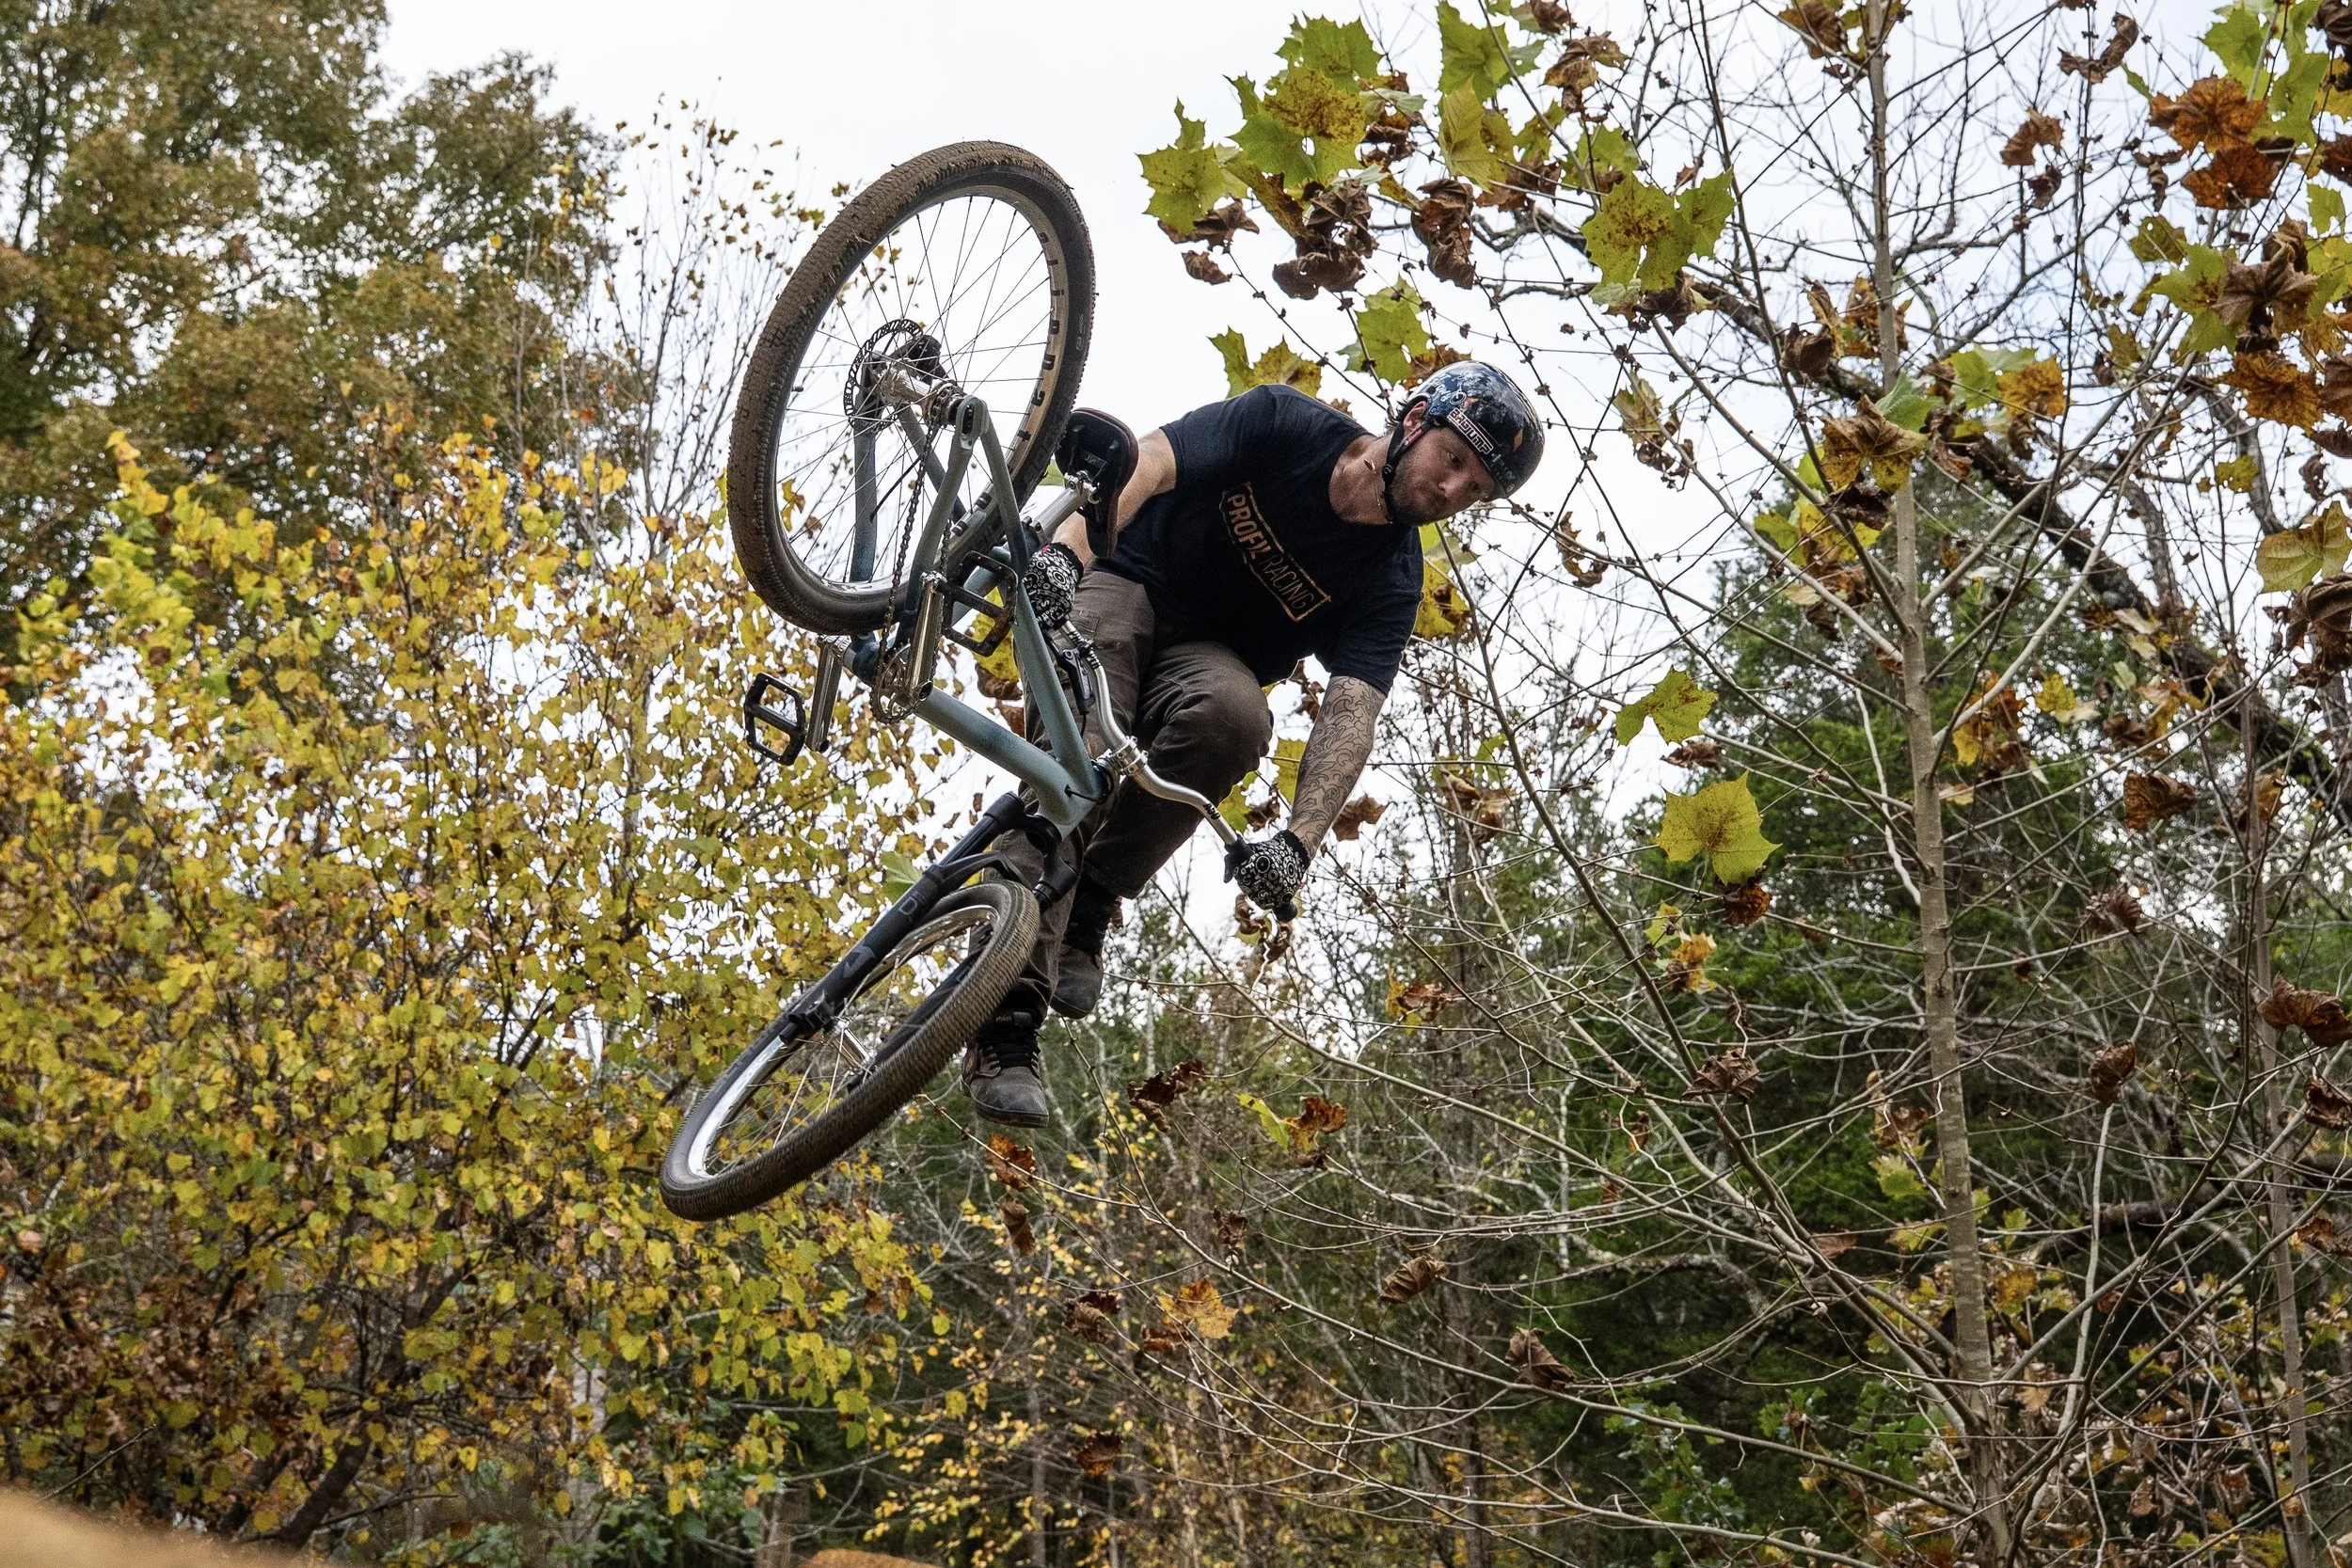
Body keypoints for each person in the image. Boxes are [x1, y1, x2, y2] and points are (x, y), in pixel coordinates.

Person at [961, 360, 1545, 1126]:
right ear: (1412, 421)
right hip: (1124, 580)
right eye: (1456, 460)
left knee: (1237, 719)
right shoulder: (1286, 424)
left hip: (1207, 657)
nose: (1452, 491)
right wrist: (1066, 554)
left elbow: (1352, 711)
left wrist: (1299, 843)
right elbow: (1152, 461)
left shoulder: (1391, 581)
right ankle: (1004, 1025)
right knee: (1086, 752)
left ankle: (1095, 899)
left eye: (1476, 490)